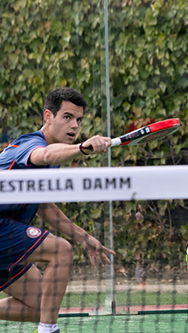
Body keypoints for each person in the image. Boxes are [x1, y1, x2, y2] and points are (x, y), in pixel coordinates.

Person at [0, 87, 116, 333]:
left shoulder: (53, 162)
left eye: (79, 120)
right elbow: (44, 155)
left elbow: (43, 206)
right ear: (48, 117)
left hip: (7, 234)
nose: (74, 126)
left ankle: (45, 323)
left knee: (39, 306)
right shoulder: (31, 145)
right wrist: (82, 148)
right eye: (67, 117)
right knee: (61, 251)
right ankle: (48, 331)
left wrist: (84, 237)